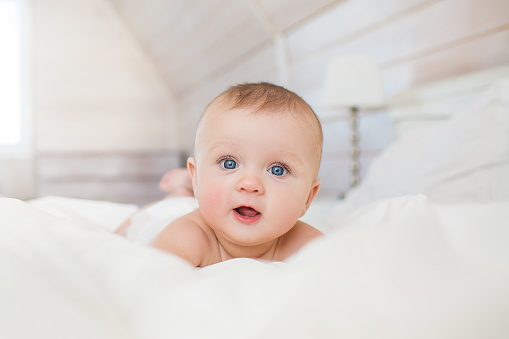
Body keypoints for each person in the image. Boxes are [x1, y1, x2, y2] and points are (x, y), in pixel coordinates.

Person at [116, 82, 324, 267]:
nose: (250, 184)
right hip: (166, 214)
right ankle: (181, 192)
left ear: (308, 197)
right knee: (134, 224)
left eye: (277, 170)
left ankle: (185, 189)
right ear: (197, 177)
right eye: (229, 163)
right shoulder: (187, 235)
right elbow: (150, 282)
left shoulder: (308, 244)